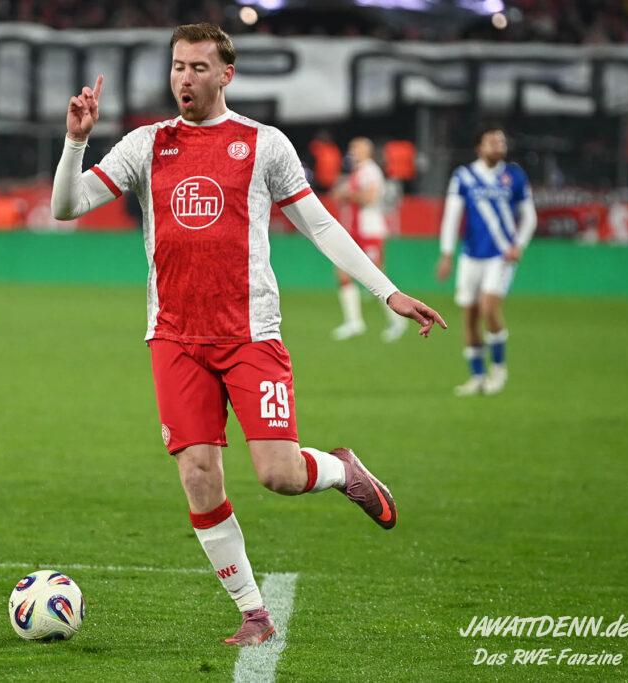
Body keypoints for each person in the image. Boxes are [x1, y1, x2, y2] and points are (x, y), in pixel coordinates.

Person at [51, 23, 446, 646]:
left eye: (198, 67)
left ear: (225, 74)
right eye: (178, 66)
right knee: (198, 474)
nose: (185, 78)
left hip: (250, 334)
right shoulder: (147, 144)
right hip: (175, 337)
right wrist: (76, 140)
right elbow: (66, 207)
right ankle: (254, 613)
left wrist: (387, 291)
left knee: (278, 475)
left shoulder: (264, 144)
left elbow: (320, 225)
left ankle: (343, 470)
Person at [436, 125, 536, 396]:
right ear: (479, 148)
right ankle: (477, 376)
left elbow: (529, 216)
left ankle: (499, 370)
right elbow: (452, 215)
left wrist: (519, 245)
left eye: (501, 142)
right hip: (471, 256)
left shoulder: (514, 176)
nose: (498, 146)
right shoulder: (464, 176)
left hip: (501, 255)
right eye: (492, 142)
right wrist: (447, 253)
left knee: (489, 308)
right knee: (469, 317)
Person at [329, 137, 408, 342]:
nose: (352, 151)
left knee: (376, 278)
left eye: (356, 148)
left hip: (370, 231)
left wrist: (348, 194)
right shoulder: (358, 172)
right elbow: (338, 195)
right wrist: (348, 193)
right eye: (352, 148)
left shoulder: (371, 171)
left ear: (367, 151)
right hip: (355, 231)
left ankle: (398, 320)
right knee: (342, 271)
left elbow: (369, 198)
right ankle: (354, 321)